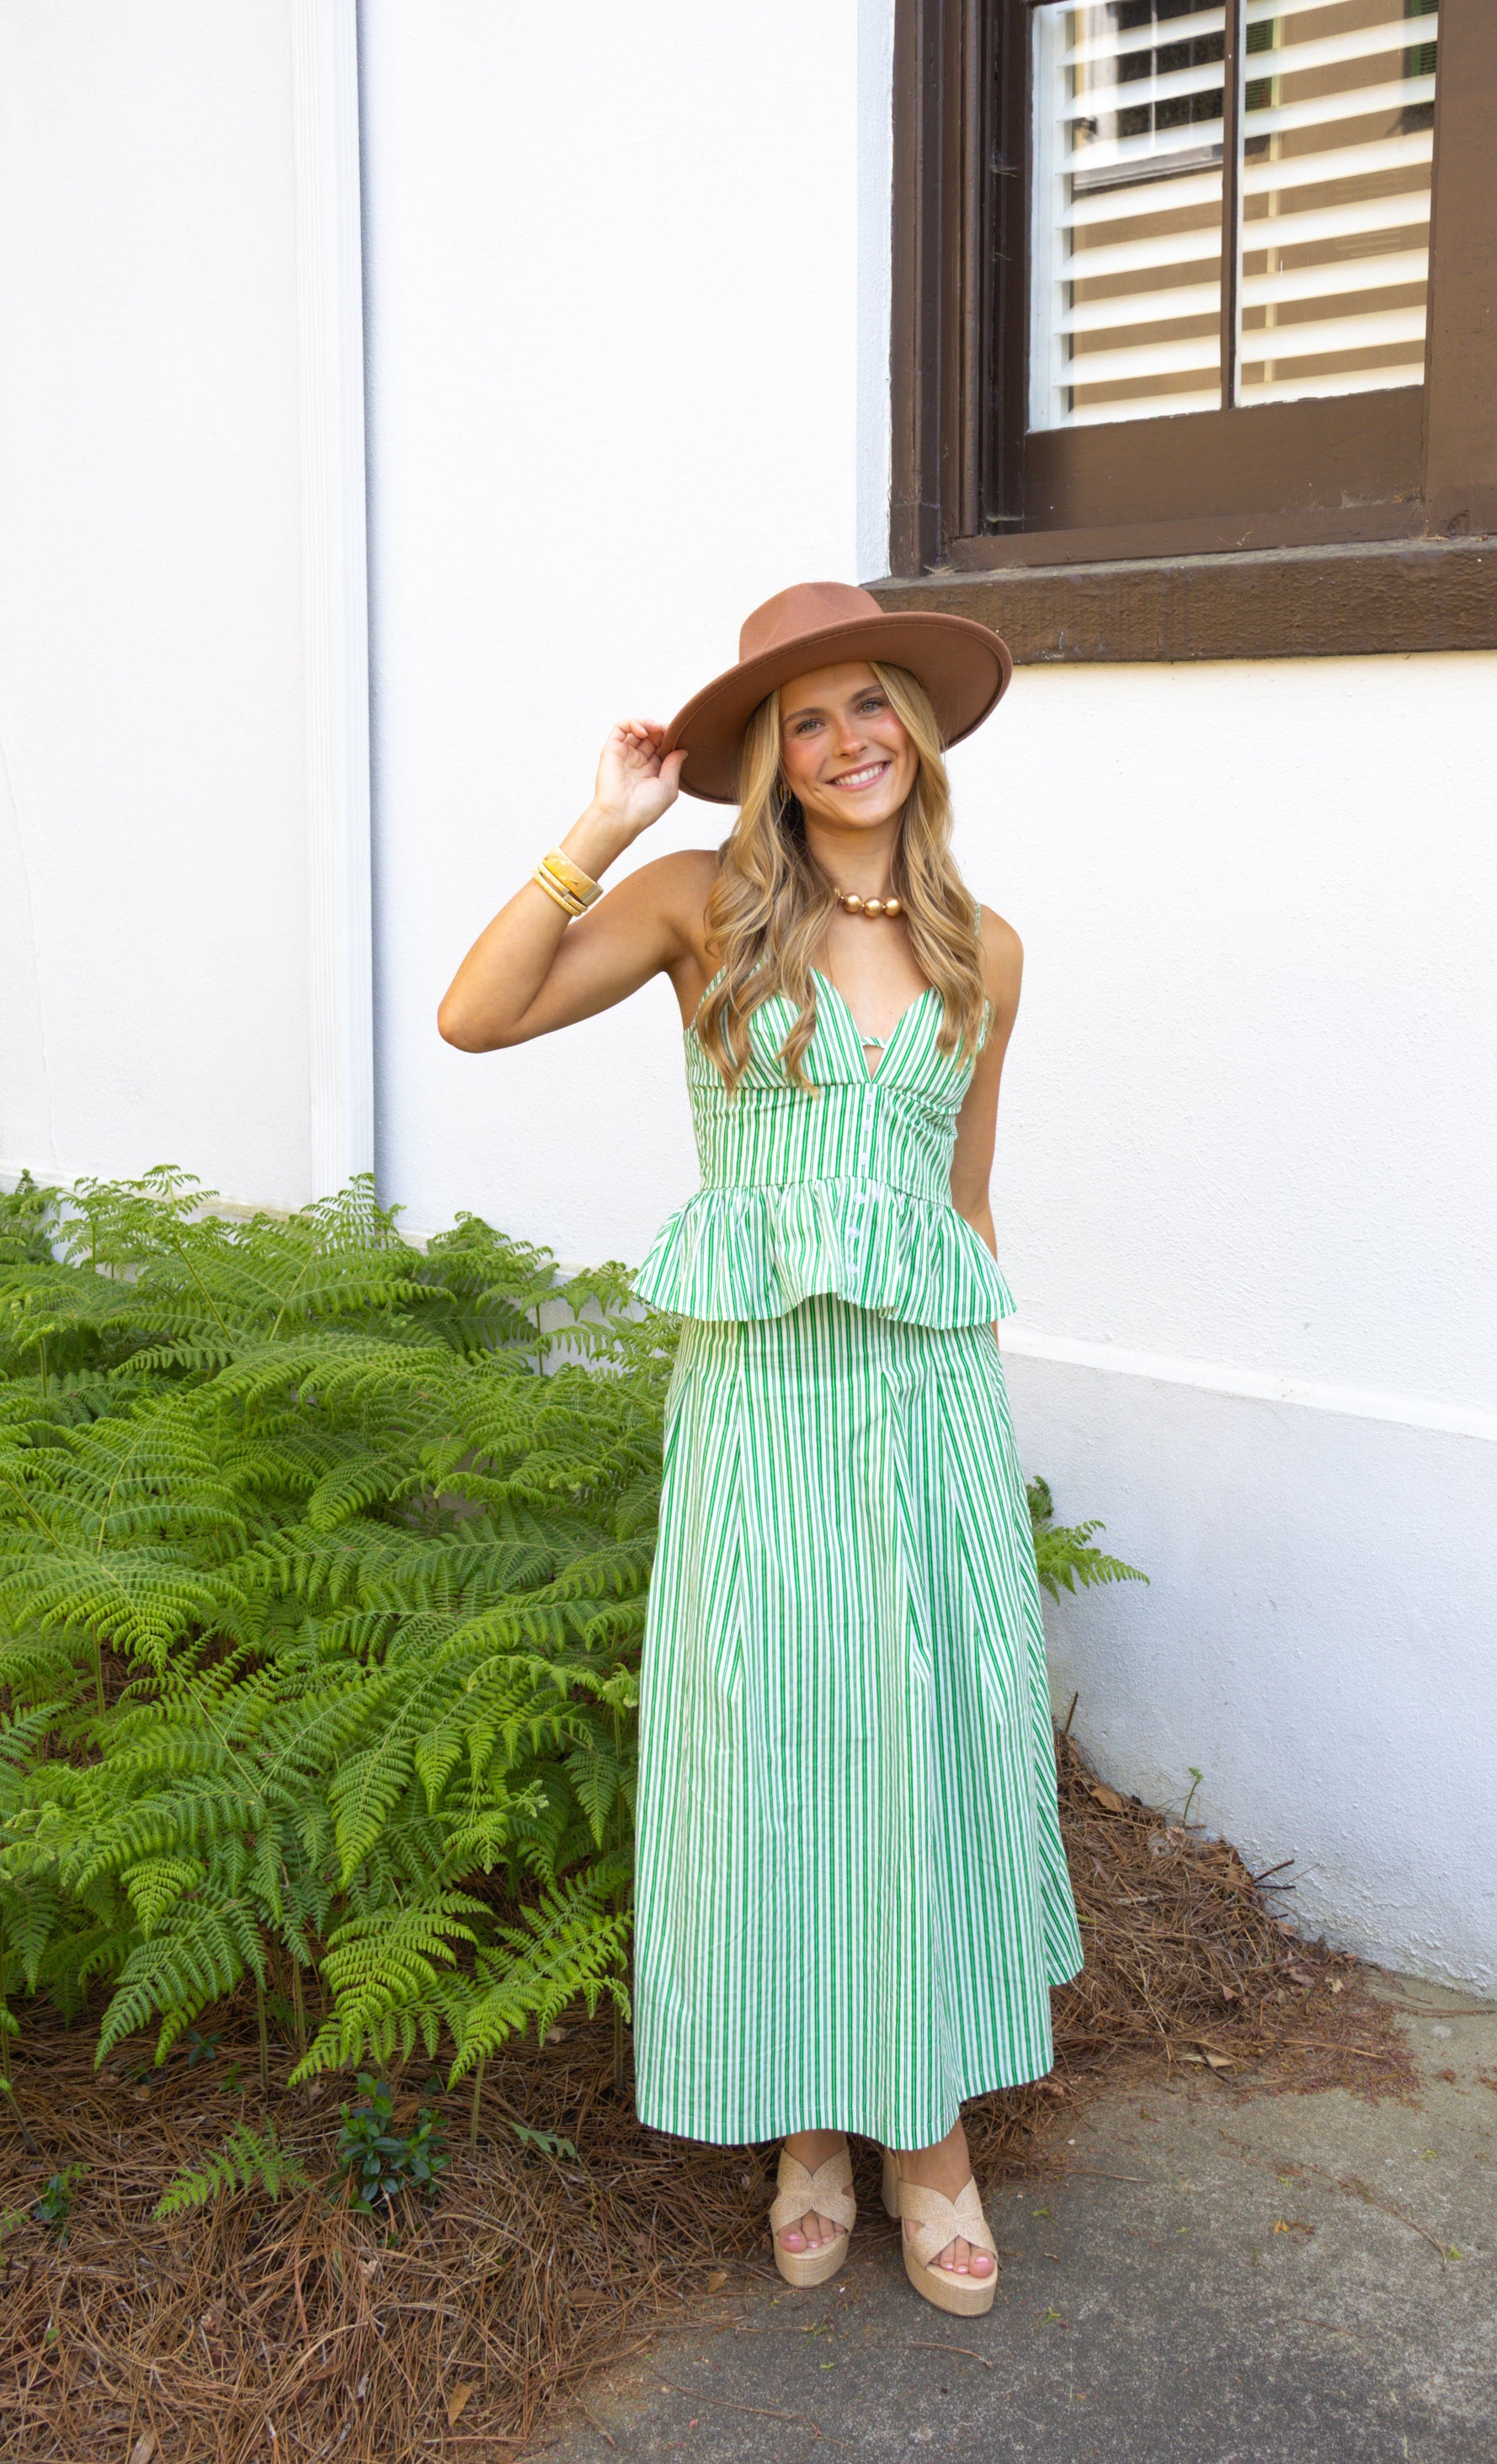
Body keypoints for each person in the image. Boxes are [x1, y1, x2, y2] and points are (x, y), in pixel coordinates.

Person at [439, 580, 1082, 2318]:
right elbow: (474, 1017)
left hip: (924, 1408)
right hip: (760, 1404)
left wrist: (973, 1443)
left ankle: (926, 2135)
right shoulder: (694, 906)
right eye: (807, 720)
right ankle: (807, 2119)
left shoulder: (986, 948)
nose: (848, 739)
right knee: (777, 1741)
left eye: (872, 704)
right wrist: (600, 823)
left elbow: (962, 1205)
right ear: (772, 760)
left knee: (924, 1741)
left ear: (914, 732)